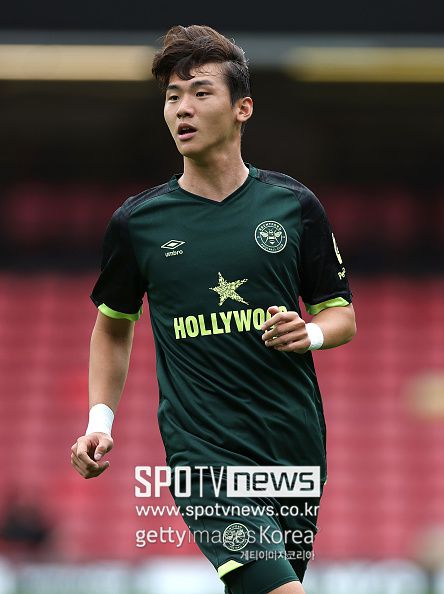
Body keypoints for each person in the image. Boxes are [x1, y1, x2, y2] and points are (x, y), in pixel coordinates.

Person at [71, 24, 356, 594]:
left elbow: (341, 316)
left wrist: (309, 333)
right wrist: (99, 422)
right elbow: (113, 327)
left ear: (242, 108)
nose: (183, 108)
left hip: (292, 447)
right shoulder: (138, 223)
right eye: (173, 96)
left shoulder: (294, 206)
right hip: (203, 454)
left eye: (200, 93)